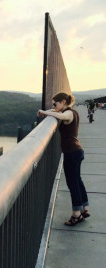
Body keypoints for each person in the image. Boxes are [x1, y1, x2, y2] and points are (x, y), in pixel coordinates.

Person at [38, 92, 89, 226]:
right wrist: (46, 111)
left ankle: (76, 214)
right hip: (76, 151)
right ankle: (84, 208)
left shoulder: (69, 114)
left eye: (55, 103)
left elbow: (61, 116)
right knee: (77, 180)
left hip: (71, 153)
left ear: (63, 102)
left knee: (72, 183)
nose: (53, 106)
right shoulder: (72, 112)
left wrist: (44, 112)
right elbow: (56, 112)